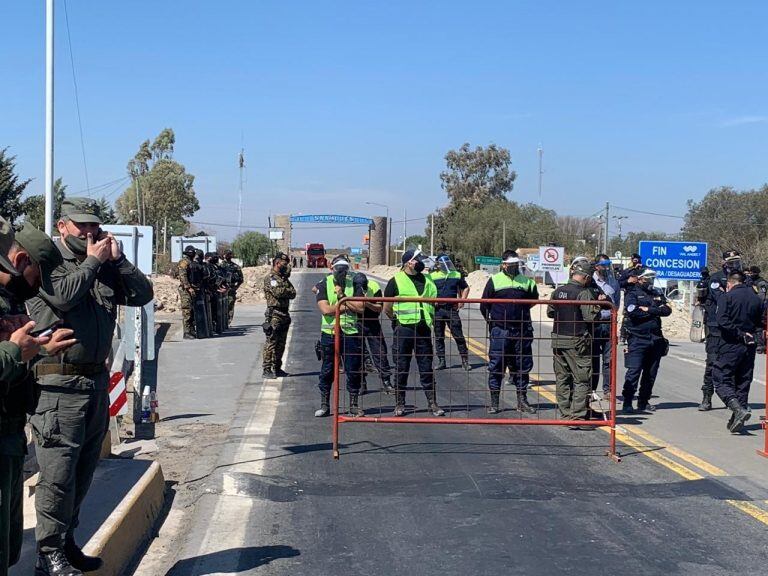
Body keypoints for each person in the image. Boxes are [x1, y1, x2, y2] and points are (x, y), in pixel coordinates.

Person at [24, 198, 154, 575]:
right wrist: (95, 261)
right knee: (58, 475)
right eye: (81, 226)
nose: (90, 232)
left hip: (93, 382)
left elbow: (142, 295)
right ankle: (47, 553)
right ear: (62, 226)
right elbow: (63, 295)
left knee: (82, 472)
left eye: (94, 226)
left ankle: (66, 542)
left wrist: (118, 261)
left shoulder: (100, 264)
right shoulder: (49, 261)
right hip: (57, 386)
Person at [0, 221, 78, 576]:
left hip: (10, 434)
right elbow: (9, 356)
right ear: (15, 258)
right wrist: (16, 351)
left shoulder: (12, 299)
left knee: (8, 548)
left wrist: (39, 350)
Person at [383, 250, 445, 417]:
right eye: (417, 259)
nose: (420, 261)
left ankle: (433, 403)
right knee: (401, 368)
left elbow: (435, 302)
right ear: (408, 263)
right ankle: (400, 403)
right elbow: (387, 307)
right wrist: (396, 321)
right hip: (404, 330)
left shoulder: (428, 280)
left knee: (426, 368)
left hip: (423, 329)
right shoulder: (395, 281)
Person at [480, 250, 538, 414]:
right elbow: (484, 305)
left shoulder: (527, 282)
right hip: (500, 331)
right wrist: (493, 324)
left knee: (522, 367)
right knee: (497, 366)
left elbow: (533, 301)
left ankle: (522, 401)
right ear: (503, 265)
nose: (513, 267)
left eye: (515, 265)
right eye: (510, 265)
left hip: (521, 330)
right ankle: (495, 403)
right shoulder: (494, 280)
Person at [547, 260, 601, 428]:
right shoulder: (583, 293)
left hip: (558, 339)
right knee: (581, 379)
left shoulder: (558, 291)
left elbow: (550, 312)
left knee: (562, 378)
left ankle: (564, 414)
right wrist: (598, 305)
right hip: (577, 341)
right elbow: (591, 317)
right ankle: (577, 417)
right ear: (585, 277)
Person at [712, 271, 763, 433]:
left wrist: (739, 333)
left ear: (729, 284)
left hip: (731, 344)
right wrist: (754, 337)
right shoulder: (756, 298)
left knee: (720, 378)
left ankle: (737, 409)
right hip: (749, 345)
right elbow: (760, 323)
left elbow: (722, 321)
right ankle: (737, 419)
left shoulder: (727, 297)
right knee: (743, 381)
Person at [315, 255, 366, 417]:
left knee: (353, 370)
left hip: (351, 334)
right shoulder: (324, 284)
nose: (342, 272)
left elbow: (361, 307)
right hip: (330, 334)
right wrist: (345, 305)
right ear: (332, 268)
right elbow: (326, 310)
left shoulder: (355, 283)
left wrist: (342, 297)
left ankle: (354, 404)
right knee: (327, 370)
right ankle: (325, 404)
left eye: (345, 269)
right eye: (339, 269)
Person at [697, 250, 743, 411]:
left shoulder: (742, 279)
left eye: (736, 262)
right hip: (716, 327)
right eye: (731, 262)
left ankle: (735, 401)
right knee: (712, 363)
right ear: (724, 263)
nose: (734, 265)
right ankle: (707, 397)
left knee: (737, 365)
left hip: (735, 327)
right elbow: (722, 298)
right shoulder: (716, 278)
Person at [621, 268, 671, 414]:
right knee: (634, 371)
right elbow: (633, 312)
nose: (650, 281)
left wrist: (648, 310)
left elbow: (667, 310)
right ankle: (628, 402)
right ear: (640, 279)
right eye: (647, 278)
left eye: (652, 278)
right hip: (638, 338)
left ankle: (643, 401)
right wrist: (654, 310)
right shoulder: (632, 294)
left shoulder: (656, 293)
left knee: (651, 373)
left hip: (655, 338)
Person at [354, 272, 394, 394]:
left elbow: (379, 308)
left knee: (380, 352)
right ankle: (361, 383)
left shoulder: (374, 287)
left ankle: (386, 381)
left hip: (372, 322)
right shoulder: (349, 287)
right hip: (356, 323)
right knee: (358, 354)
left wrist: (367, 303)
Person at [430, 254, 471, 371]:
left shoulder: (456, 274)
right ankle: (441, 361)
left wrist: (462, 301)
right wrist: (432, 302)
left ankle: (465, 361)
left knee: (458, 335)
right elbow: (428, 290)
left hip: (451, 310)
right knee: (439, 337)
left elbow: (466, 288)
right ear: (438, 264)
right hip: (438, 310)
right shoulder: (432, 276)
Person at [262, 253, 296, 379]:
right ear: (277, 263)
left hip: (284, 313)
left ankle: (277, 367)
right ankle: (266, 369)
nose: (286, 266)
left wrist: (285, 290)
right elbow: (278, 292)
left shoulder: (283, 279)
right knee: (271, 342)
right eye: (284, 263)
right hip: (274, 314)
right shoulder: (271, 278)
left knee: (281, 343)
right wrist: (285, 290)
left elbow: (293, 293)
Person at [592, 254, 621, 397]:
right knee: (592, 359)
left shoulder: (613, 283)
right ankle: (591, 390)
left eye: (607, 265)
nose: (606, 268)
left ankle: (608, 390)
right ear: (597, 266)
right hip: (594, 325)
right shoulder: (590, 281)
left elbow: (616, 306)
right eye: (603, 265)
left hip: (609, 325)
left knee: (609, 359)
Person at [177, 245, 198, 339]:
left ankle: (191, 330)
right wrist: (188, 287)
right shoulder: (184, 262)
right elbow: (183, 276)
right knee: (187, 310)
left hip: (192, 289)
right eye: (192, 252)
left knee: (192, 310)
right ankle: (186, 332)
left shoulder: (192, 262)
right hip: (186, 290)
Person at [220, 250, 243, 323]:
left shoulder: (235, 266)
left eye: (229, 254)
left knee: (230, 305)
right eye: (226, 254)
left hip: (231, 288)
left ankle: (228, 321)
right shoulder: (220, 266)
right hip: (222, 289)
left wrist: (236, 287)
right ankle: (221, 321)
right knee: (221, 305)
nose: (227, 256)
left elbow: (241, 279)